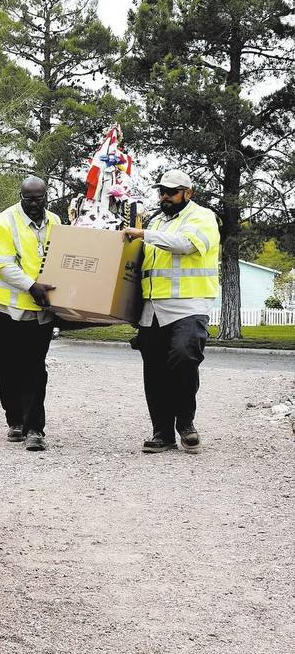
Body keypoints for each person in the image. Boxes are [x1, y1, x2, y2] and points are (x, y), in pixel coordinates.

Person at [123, 169, 219, 455]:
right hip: (153, 310)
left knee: (184, 357)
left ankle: (186, 423)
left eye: (171, 191)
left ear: (188, 193)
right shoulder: (156, 222)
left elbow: (188, 245)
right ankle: (162, 433)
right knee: (154, 372)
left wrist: (144, 234)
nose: (164, 196)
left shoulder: (201, 217)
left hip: (188, 306)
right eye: (161, 191)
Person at [0, 175, 61, 451]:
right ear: (21, 197)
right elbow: (2, 265)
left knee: (35, 369)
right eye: (29, 200)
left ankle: (35, 428)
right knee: (7, 368)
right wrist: (31, 285)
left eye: (40, 199)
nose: (35, 204)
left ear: (46, 197)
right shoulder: (2, 224)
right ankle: (14, 420)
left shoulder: (56, 222)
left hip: (38, 311)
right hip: (3, 309)